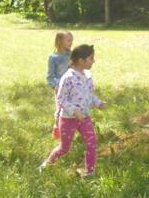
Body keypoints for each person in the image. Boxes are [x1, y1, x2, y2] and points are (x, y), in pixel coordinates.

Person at [40, 45, 106, 177]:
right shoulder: (68, 77)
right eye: (91, 58)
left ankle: (90, 172)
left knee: (92, 143)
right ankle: (47, 164)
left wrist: (98, 103)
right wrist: (74, 111)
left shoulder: (87, 75)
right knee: (65, 148)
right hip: (68, 119)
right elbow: (61, 99)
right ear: (81, 61)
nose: (93, 61)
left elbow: (89, 94)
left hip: (85, 118)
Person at [47, 31, 73, 139]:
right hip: (60, 87)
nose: (71, 42)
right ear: (60, 41)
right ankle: (57, 129)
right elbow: (50, 76)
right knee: (60, 108)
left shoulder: (71, 55)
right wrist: (56, 85)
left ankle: (70, 129)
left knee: (72, 108)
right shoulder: (53, 58)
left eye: (72, 40)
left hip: (72, 86)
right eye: (68, 40)